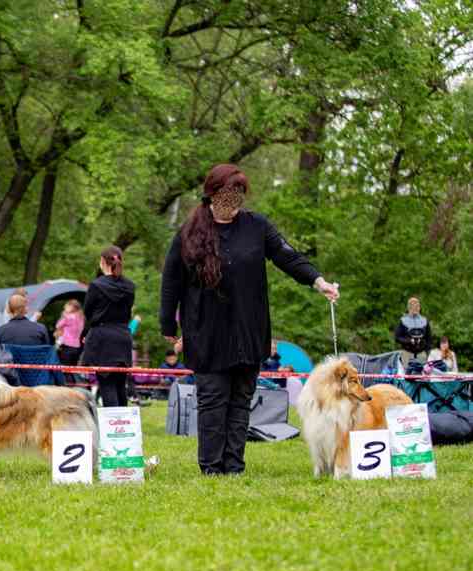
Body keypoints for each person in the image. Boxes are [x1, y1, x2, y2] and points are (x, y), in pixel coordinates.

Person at [160, 163, 339, 476]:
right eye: (229, 194)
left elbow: (288, 256)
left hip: (248, 329)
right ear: (212, 194)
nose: (234, 202)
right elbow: (171, 282)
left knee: (241, 400)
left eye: (240, 195)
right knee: (213, 400)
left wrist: (318, 281)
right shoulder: (189, 233)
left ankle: (234, 466)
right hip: (207, 331)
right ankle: (212, 467)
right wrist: (167, 326)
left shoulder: (257, 226)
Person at [82, 245, 135, 407]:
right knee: (120, 383)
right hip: (123, 336)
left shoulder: (96, 285)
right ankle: (124, 428)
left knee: (107, 384)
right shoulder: (130, 286)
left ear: (103, 262)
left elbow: (88, 313)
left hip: (103, 337)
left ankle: (112, 429)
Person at [395, 297, 432, 369]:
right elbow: (397, 337)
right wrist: (409, 341)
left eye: (417, 306)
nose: (415, 308)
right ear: (409, 307)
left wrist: (427, 352)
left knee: (421, 376)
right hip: (407, 353)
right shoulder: (403, 320)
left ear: (419, 307)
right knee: (407, 375)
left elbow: (429, 338)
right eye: (412, 306)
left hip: (421, 353)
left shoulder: (424, 320)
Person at [54, 300, 85, 381]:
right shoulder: (81, 317)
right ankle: (75, 386)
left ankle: (69, 387)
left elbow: (57, 325)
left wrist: (64, 315)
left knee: (65, 370)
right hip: (77, 346)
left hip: (67, 346)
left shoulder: (68, 317)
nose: (64, 308)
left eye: (66, 306)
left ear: (72, 307)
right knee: (72, 370)